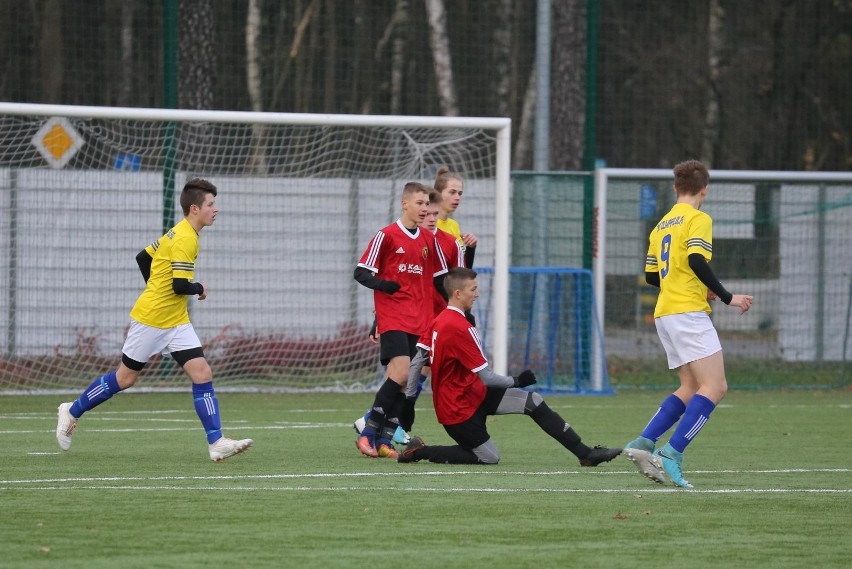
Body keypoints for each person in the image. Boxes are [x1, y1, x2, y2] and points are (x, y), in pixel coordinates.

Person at [55, 178, 253, 462]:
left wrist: (156, 286)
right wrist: (200, 288)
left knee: (202, 374)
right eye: (211, 204)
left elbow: (142, 258)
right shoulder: (184, 238)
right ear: (194, 208)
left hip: (176, 321)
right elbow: (179, 286)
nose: (216, 209)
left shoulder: (179, 232)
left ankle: (217, 441)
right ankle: (72, 410)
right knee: (125, 379)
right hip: (152, 319)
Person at [396, 267, 622, 467]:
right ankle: (420, 451)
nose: (477, 294)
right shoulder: (459, 327)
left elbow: (417, 362)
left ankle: (586, 454)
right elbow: (486, 377)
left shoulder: (439, 319)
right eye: (473, 289)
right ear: (457, 293)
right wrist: (517, 381)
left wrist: (409, 400)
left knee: (532, 401)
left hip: (472, 393)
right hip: (457, 409)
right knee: (489, 457)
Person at [624, 160, 753, 488]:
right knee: (716, 386)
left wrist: (694, 287)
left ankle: (644, 442)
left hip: (666, 313)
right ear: (705, 189)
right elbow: (696, 259)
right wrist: (726, 296)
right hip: (687, 313)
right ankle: (673, 453)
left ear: (675, 187)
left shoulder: (661, 225)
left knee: (691, 386)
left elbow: (653, 275)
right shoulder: (698, 219)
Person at [353, 189, 464, 441]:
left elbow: (439, 280)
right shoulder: (386, 235)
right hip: (394, 316)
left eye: (428, 205)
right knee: (402, 373)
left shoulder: (431, 240)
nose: (426, 210)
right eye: (421, 204)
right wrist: (384, 287)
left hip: (422, 319)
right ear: (405, 204)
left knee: (406, 380)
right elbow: (361, 272)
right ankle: (368, 430)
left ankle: (383, 438)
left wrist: (456, 309)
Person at [434, 165, 477, 268]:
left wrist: (471, 248)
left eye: (460, 193)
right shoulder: (428, 225)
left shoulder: (454, 225)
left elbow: (461, 269)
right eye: (452, 192)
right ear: (438, 193)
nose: (457, 197)